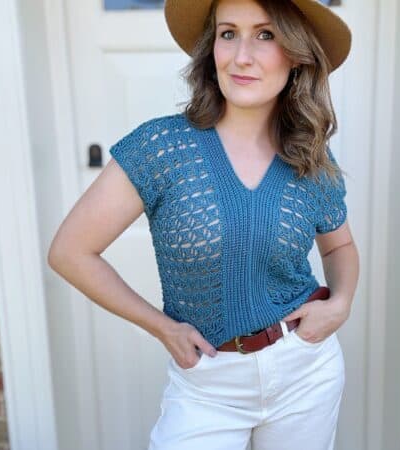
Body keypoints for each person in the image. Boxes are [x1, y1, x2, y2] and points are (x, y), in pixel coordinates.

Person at [48, 0, 359, 448]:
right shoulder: (161, 147)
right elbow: (70, 252)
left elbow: (338, 248)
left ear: (296, 55)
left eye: (266, 35)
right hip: (207, 385)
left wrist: (342, 302)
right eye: (228, 33)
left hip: (305, 371)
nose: (241, 56)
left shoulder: (309, 155)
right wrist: (162, 326)